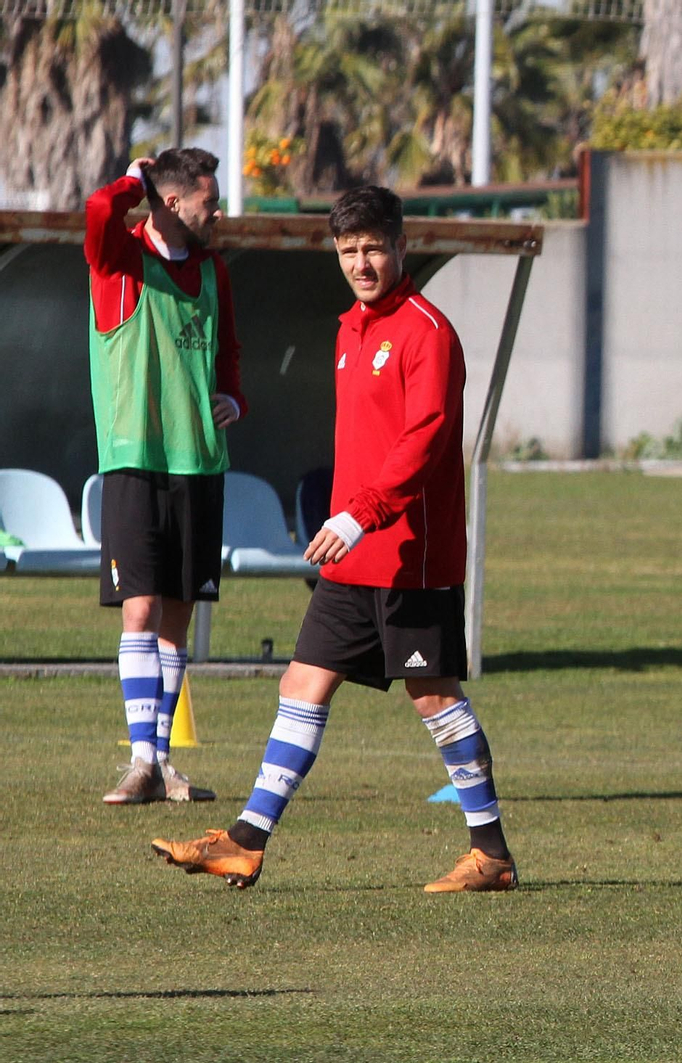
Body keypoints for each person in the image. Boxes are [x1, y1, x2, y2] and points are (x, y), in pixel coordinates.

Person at [152, 186, 516, 893]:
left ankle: (492, 853)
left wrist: (365, 511)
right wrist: (345, 518)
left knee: (433, 695)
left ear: (401, 246)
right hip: (355, 555)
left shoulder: (426, 331)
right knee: (303, 681)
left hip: (411, 554)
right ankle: (246, 841)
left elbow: (428, 438)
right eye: (349, 251)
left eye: (374, 247)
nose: (361, 263)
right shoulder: (350, 329)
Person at [86, 147, 246, 806]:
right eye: (210, 199)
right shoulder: (120, 259)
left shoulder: (212, 269)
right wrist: (136, 177)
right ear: (174, 202)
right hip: (135, 460)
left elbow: (229, 349)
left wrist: (234, 396)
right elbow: (99, 209)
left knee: (176, 618)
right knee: (141, 609)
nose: (219, 210)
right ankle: (139, 759)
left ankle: (162, 761)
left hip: (199, 461)